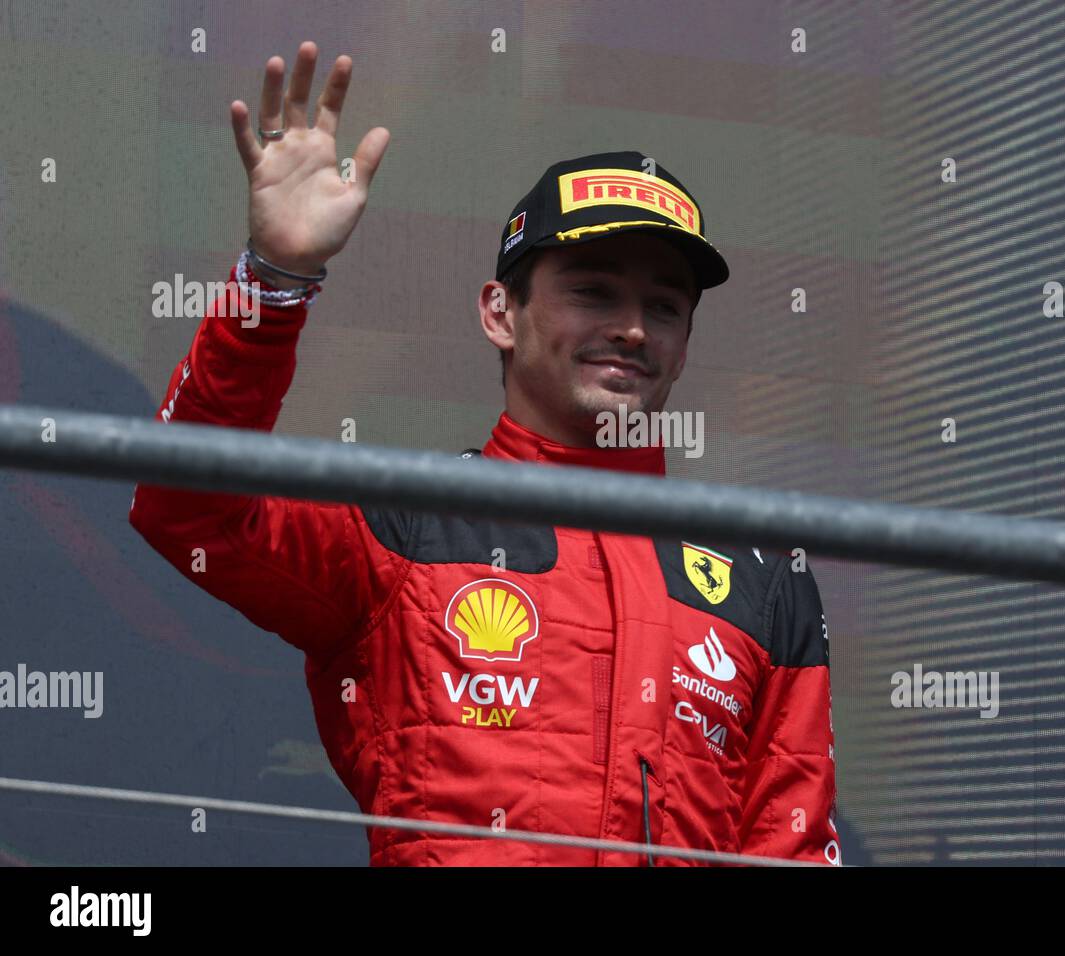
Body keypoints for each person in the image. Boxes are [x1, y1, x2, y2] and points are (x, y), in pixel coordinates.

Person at [129, 41, 839, 866]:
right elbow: (188, 509)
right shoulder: (411, 523)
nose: (635, 327)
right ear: (499, 314)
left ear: (684, 347)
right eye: (593, 291)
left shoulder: (764, 576)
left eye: (665, 306)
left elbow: (791, 845)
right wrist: (277, 278)